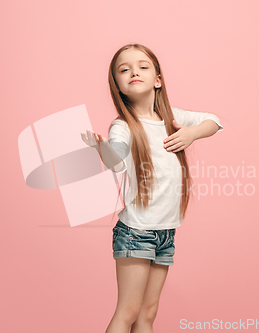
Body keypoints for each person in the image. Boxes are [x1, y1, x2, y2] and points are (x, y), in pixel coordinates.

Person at [81, 43, 223, 333]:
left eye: (143, 66)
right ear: (118, 86)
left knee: (148, 314)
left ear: (157, 79)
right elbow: (117, 161)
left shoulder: (173, 118)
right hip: (136, 232)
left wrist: (192, 133)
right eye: (124, 69)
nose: (134, 72)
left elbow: (215, 121)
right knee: (128, 311)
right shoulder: (123, 126)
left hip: (165, 232)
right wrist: (101, 148)